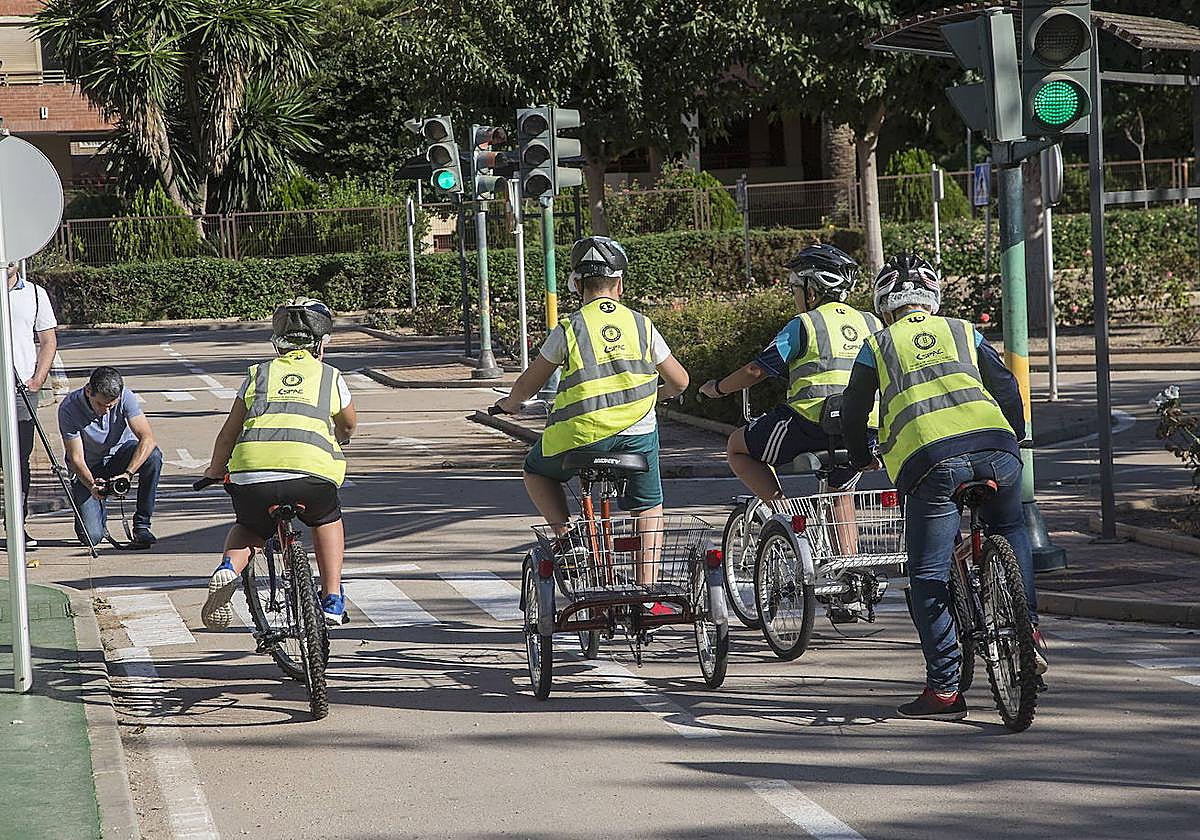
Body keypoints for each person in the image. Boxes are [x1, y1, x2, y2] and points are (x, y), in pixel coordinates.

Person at [840, 253, 1046, 721]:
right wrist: (1015, 432)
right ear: (932, 299)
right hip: (997, 449)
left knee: (928, 573)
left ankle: (946, 690)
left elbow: (854, 410)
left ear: (885, 304)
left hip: (931, 463)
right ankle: (1027, 629)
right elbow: (1006, 386)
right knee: (1011, 528)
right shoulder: (963, 330)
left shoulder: (878, 343)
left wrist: (859, 456)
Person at [493, 236, 689, 599]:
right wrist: (657, 395)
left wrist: (510, 404)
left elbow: (529, 384)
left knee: (535, 470)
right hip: (636, 436)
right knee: (648, 506)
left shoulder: (570, 328)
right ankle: (646, 590)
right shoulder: (642, 325)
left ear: (578, 285)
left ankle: (568, 539)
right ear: (619, 284)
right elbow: (679, 380)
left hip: (578, 436)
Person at [199, 297, 356, 630]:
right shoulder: (329, 376)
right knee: (327, 518)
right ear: (322, 344)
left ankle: (228, 568)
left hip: (252, 474)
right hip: (311, 476)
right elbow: (349, 424)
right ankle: (332, 597)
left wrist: (214, 470)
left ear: (277, 341)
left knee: (252, 527)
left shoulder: (259, 374)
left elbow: (229, 433)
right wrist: (339, 438)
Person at [698, 244, 881, 500]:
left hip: (811, 424)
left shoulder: (805, 323)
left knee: (737, 446)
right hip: (864, 429)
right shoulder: (872, 322)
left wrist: (716, 388)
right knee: (839, 499)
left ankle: (784, 519)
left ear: (812, 291)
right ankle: (845, 542)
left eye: (795, 288)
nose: (794, 294)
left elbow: (756, 370)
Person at [59, 366, 162, 549]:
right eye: (101, 405)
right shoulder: (69, 408)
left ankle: (142, 525)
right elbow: (76, 459)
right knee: (92, 537)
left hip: (119, 458)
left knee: (153, 456)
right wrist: (92, 485)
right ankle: (93, 509)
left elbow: (147, 438)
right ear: (89, 391)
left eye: (111, 406)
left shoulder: (126, 397)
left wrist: (127, 474)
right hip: (88, 468)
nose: (106, 411)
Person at [7, 261, 58, 549]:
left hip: (21, 392)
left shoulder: (35, 294)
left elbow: (48, 341)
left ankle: (17, 526)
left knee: (19, 462)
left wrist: (38, 379)